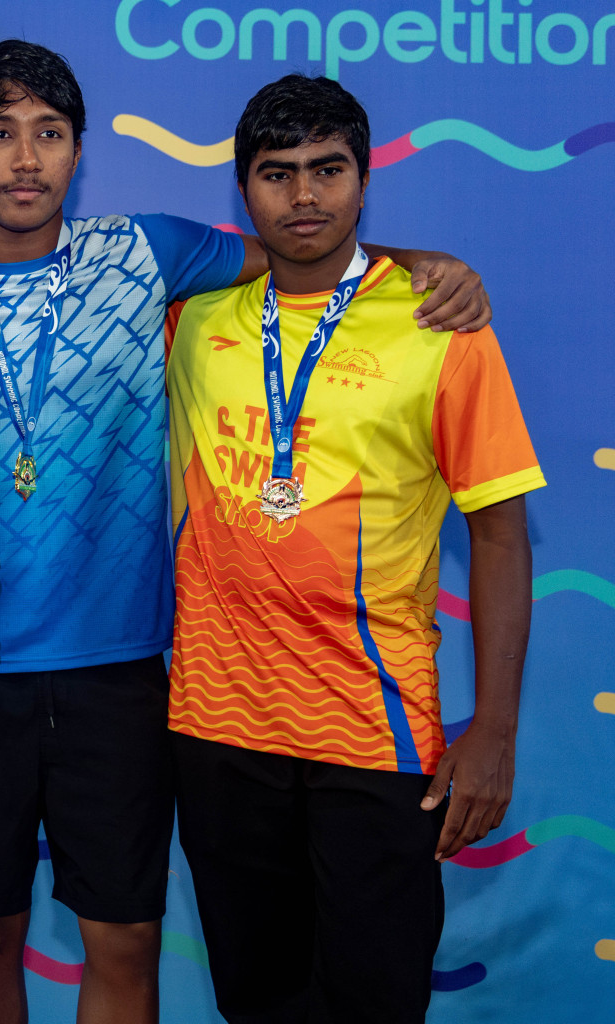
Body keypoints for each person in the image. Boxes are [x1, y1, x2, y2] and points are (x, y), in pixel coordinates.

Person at [0, 41, 491, 1024]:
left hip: (121, 678)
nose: (24, 159)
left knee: (126, 939)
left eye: (49, 134)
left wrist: (419, 265)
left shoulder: (146, 252)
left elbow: (304, 250)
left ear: (79, 151)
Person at [164, 74, 541, 1024]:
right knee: (257, 1004)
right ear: (242, 191)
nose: (304, 197)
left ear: (364, 181)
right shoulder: (190, 313)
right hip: (216, 731)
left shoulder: (439, 323)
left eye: (328, 170)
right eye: (277, 174)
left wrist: (492, 730)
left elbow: (498, 532)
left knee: (374, 1003)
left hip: (372, 738)